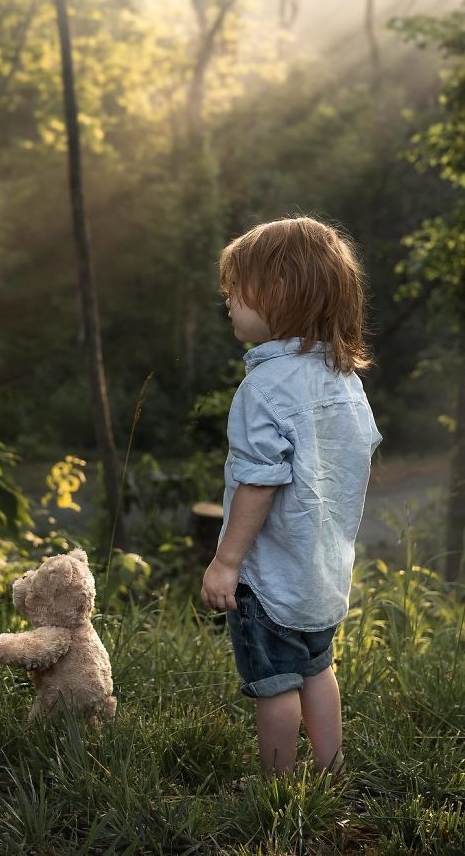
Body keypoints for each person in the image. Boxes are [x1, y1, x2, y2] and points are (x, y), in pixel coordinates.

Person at [200, 215, 383, 779]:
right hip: (321, 572)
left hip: (271, 575)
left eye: (238, 288)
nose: (227, 298)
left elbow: (259, 481)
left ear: (281, 294)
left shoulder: (264, 387)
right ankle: (331, 772)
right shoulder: (342, 378)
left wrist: (226, 562)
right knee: (316, 669)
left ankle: (279, 790)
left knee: (274, 686)